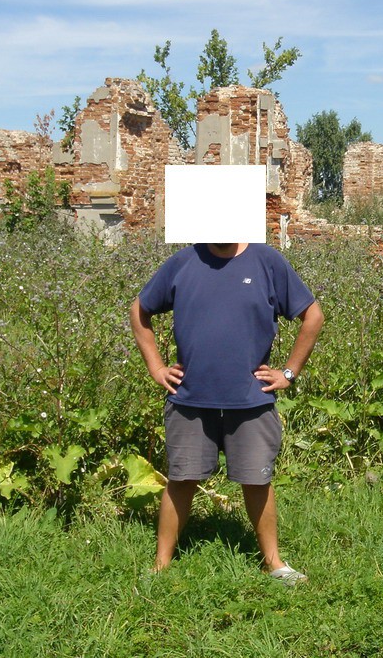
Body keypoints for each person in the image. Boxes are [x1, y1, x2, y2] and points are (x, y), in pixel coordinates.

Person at [130, 241, 324, 584]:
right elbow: (139, 310)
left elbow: (313, 315)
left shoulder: (267, 261)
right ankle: (161, 565)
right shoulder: (183, 261)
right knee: (181, 479)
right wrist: (157, 367)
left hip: (251, 400)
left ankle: (273, 563)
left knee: (257, 480)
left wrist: (288, 372)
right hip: (189, 399)